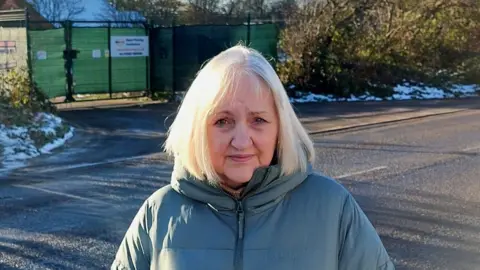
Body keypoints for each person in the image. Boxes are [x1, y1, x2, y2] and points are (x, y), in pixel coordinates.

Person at [111, 45, 395, 270]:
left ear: (280, 128)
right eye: (222, 121)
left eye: (258, 120)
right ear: (197, 129)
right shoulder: (160, 213)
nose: (241, 140)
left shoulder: (333, 207)